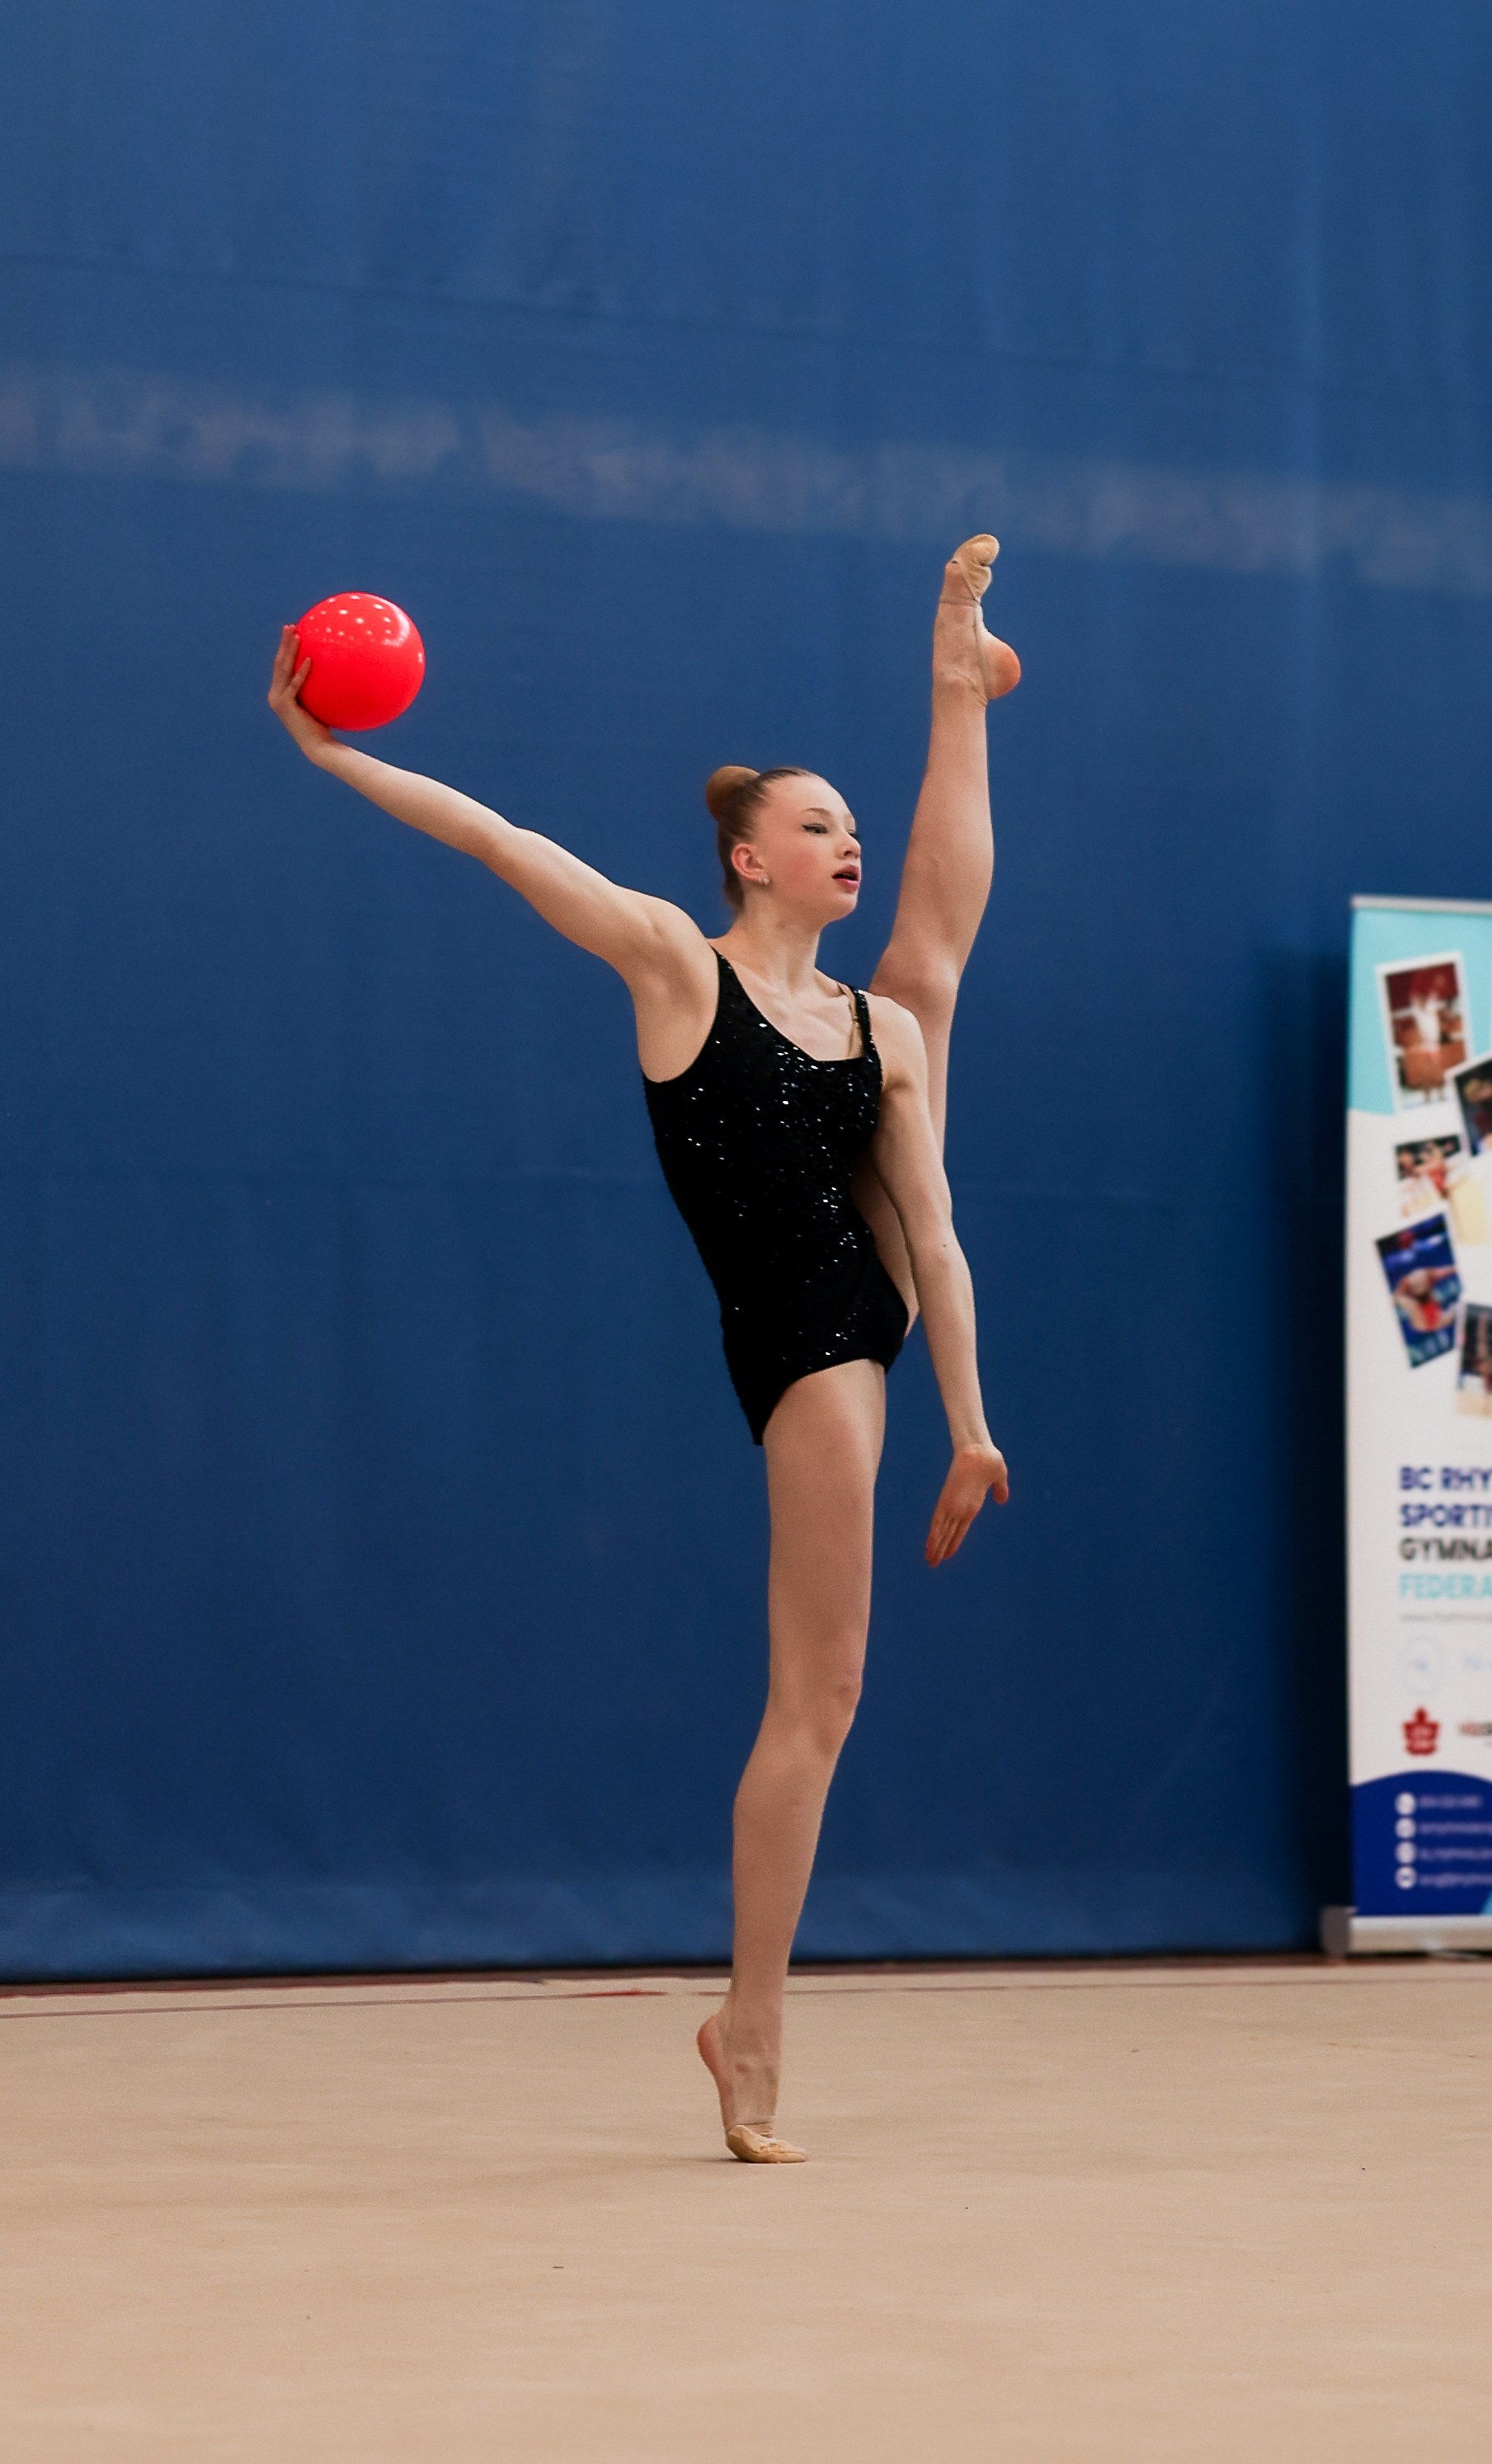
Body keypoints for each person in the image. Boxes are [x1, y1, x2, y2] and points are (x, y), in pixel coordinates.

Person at [267, 536, 1020, 2163]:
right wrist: (340, 752)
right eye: (815, 826)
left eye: (848, 826)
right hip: (801, 1336)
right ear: (747, 860)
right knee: (815, 1694)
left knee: (929, 980)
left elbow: (937, 1231)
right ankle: (749, 2021)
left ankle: (955, 685)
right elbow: (503, 842)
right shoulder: (679, 968)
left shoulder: (866, 1029)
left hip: (869, 1302)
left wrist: (970, 1420)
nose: (842, 844)